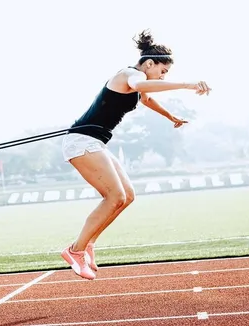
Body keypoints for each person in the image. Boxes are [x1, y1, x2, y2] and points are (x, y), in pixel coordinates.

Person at [60, 30, 211, 280]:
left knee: (127, 196)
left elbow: (146, 98)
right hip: (81, 142)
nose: (163, 77)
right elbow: (141, 86)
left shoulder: (138, 79)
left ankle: (88, 243)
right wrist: (186, 85)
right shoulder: (131, 74)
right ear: (149, 63)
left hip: (94, 142)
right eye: (162, 72)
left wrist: (171, 117)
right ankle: (74, 251)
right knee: (114, 195)